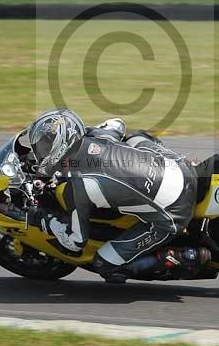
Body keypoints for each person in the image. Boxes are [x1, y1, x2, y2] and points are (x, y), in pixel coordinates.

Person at [26, 108, 204, 282]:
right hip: (181, 166)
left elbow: (76, 241)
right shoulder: (100, 136)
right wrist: (91, 130)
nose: (40, 151)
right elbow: (117, 124)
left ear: (60, 146)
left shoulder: (78, 188)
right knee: (136, 137)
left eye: (44, 145)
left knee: (104, 263)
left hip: (175, 211)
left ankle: (184, 256)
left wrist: (44, 220)